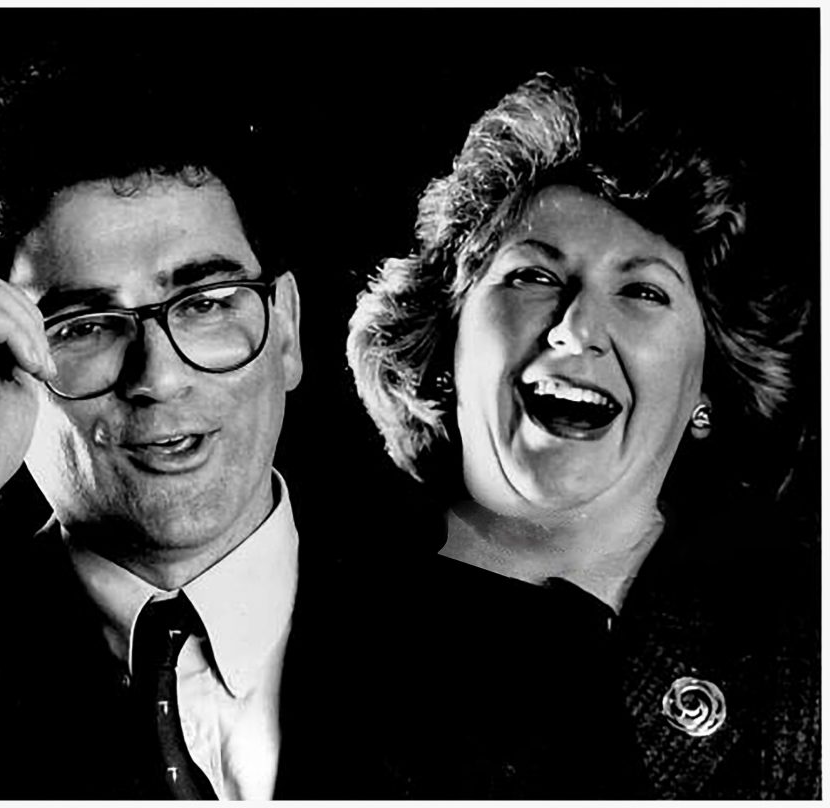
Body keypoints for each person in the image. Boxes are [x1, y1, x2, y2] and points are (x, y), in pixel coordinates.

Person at [0, 54, 403, 799]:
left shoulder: (493, 642)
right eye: (85, 326)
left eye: (207, 303)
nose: (157, 378)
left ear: (284, 330)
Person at [347, 69, 819, 798]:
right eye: (533, 277)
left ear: (707, 385)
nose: (576, 330)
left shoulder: (798, 644)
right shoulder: (315, 607)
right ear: (444, 342)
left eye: (642, 292)